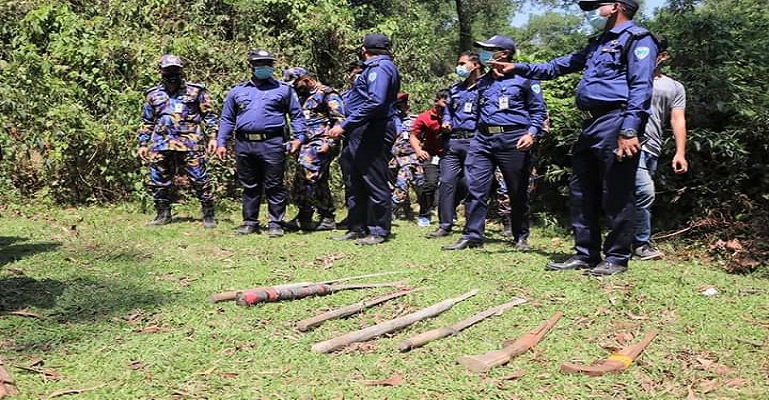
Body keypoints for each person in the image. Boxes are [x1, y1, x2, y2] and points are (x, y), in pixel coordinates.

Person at [493, 0, 657, 275]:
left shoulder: (638, 39)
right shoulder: (596, 43)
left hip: (616, 120)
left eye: (597, 5)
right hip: (590, 125)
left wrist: (629, 130)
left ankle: (616, 257)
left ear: (616, 6)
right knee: (581, 190)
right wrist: (517, 68)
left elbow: (641, 87)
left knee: (616, 191)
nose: (593, 11)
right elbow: (557, 67)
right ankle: (586, 253)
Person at [442, 34, 547, 251]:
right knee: (475, 188)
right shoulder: (483, 82)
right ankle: (472, 235)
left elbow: (538, 111)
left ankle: (520, 235)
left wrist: (531, 133)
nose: (484, 53)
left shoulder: (524, 78)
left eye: (490, 49)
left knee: (516, 189)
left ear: (505, 54)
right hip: (482, 139)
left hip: (514, 139)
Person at [216, 49, 307, 237]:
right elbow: (227, 119)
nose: (264, 67)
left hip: (272, 143)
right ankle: (250, 222)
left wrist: (299, 138)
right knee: (250, 184)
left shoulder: (284, 90)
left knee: (274, 184)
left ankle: (275, 222)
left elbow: (296, 116)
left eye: (267, 63)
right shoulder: (237, 91)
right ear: (251, 66)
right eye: (259, 64)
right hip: (244, 144)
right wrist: (221, 142)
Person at [328, 33, 401, 245]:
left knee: (373, 178)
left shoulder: (379, 68)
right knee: (354, 180)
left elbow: (376, 101)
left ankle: (378, 230)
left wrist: (345, 124)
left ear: (364, 49)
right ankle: (356, 226)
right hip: (359, 131)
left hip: (373, 129)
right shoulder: (372, 68)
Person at [138, 54, 219, 229]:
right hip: (161, 143)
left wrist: (213, 137)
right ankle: (163, 214)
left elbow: (210, 116)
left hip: (190, 142)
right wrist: (143, 143)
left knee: (199, 178)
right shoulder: (152, 94)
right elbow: (147, 121)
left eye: (175, 70)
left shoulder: (196, 91)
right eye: (168, 70)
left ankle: (208, 214)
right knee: (158, 179)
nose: (172, 73)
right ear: (161, 71)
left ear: (181, 71)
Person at [632, 33, 688, 260]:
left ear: (662, 56)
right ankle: (641, 244)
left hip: (654, 147)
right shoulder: (628, 78)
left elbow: (677, 119)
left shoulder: (674, 86)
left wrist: (680, 152)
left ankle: (623, 241)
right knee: (644, 192)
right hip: (630, 144)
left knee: (635, 196)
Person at [282, 67, 346, 231]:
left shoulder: (327, 94)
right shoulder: (299, 96)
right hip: (305, 142)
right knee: (312, 178)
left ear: (306, 79)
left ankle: (314, 214)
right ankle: (317, 215)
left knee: (308, 174)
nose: (295, 86)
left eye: (296, 83)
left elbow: (339, 121)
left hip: (322, 141)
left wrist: (330, 143)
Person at [427, 51, 482, 238]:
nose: (458, 67)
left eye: (462, 63)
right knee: (446, 182)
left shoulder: (485, 88)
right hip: (453, 142)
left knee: (472, 184)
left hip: (474, 141)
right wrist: (446, 122)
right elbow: (448, 111)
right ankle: (445, 224)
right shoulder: (455, 90)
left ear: (475, 65)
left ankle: (471, 226)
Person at [410, 89, 449, 226]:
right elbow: (414, 136)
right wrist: (418, 150)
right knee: (431, 184)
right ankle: (424, 214)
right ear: (437, 101)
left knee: (455, 184)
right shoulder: (424, 117)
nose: (446, 104)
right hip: (431, 155)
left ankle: (449, 213)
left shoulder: (456, 115)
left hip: (450, 155)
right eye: (444, 101)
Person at [389, 93, 421, 221]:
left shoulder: (415, 120)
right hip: (392, 158)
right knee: (392, 185)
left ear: (406, 106)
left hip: (410, 158)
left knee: (407, 183)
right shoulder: (388, 120)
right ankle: (406, 210)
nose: (398, 109)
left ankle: (391, 208)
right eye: (396, 106)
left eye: (401, 105)